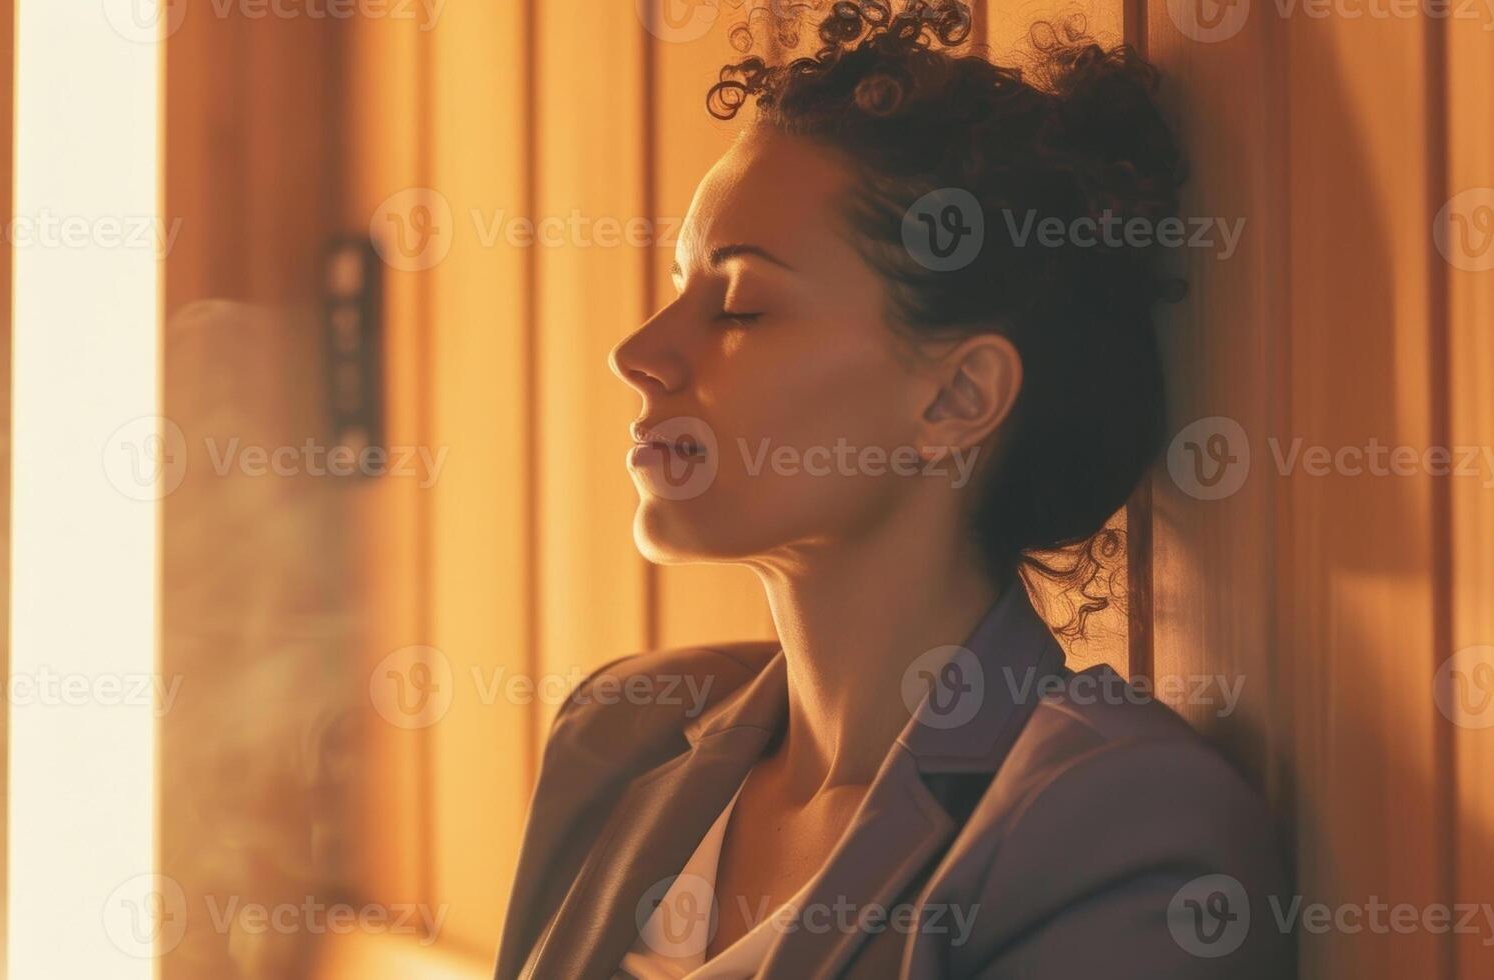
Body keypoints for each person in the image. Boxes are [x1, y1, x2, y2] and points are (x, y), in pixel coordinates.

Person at [495, 2, 1293, 977]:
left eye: (740, 305)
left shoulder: (1119, 829)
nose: (640, 352)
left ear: (956, 395)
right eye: (677, 286)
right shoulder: (620, 729)